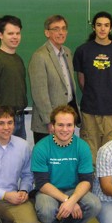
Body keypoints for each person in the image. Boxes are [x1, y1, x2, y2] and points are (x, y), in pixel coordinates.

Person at [31, 105, 101, 223]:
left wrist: (73, 200)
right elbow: (41, 183)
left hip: (73, 190)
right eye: (60, 125)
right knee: (46, 210)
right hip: (48, 192)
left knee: (94, 205)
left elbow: (86, 180)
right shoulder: (41, 147)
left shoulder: (82, 147)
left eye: (69, 125)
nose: (65, 129)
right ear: (52, 126)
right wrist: (66, 200)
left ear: (74, 126)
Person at [73, 11, 112, 165]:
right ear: (94, 28)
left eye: (106, 25)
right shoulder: (83, 50)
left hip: (111, 110)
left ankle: (107, 189)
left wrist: (106, 93)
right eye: (99, 25)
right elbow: (81, 79)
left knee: (110, 154)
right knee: (90, 154)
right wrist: (94, 95)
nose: (102, 29)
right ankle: (91, 188)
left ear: (111, 28)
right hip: (89, 109)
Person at [29, 15, 80, 144]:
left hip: (66, 121)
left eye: (63, 28)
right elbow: (39, 94)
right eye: (56, 29)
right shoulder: (39, 56)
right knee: (48, 162)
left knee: (65, 160)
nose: (61, 32)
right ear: (47, 32)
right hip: (48, 125)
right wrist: (49, 121)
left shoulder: (67, 52)